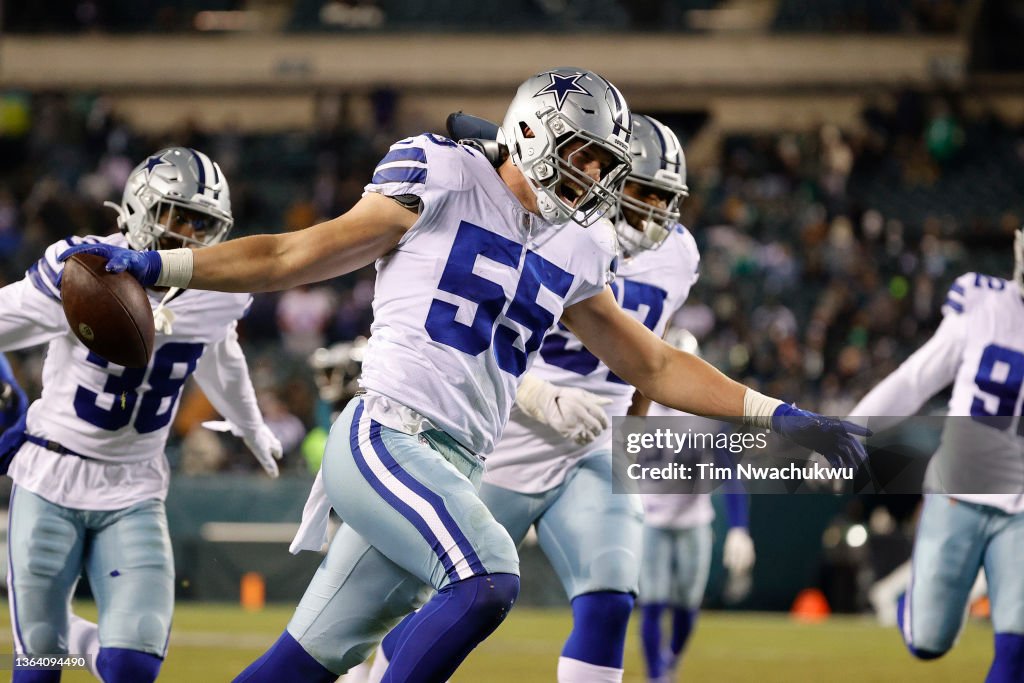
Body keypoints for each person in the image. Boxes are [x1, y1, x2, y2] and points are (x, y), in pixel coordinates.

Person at [63, 67, 868, 683]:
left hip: (456, 462)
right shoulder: (442, 174)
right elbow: (289, 254)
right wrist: (164, 264)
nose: (597, 177)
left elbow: (652, 361)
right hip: (389, 435)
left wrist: (778, 414)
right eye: (586, 155)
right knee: (487, 578)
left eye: (606, 163)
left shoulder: (576, 244)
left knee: (303, 661)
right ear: (536, 134)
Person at [370, 111, 699, 683]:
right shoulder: (555, 228)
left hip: (595, 445)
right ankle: (375, 671)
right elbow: (482, 333)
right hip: (508, 437)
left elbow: (647, 362)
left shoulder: (680, 254)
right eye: (645, 193)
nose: (656, 213)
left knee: (611, 598)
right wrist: (536, 394)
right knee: (449, 601)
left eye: (666, 199)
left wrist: (633, 435)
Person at [0, 147, 282, 683]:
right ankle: (62, 643)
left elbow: (219, 354)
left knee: (133, 664)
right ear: (138, 206)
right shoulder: (84, 268)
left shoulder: (219, 291)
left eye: (203, 224)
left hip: (135, 485)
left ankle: (77, 642)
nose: (188, 234)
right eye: (178, 215)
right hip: (52, 473)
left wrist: (250, 426)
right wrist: (7, 397)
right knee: (38, 666)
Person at [849, 232, 1024, 682]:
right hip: (958, 492)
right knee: (928, 642)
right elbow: (916, 380)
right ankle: (915, 605)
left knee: (1017, 646)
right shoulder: (984, 304)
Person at [636, 329, 755, 683]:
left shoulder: (706, 415)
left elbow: (730, 472)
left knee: (688, 605)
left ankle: (671, 659)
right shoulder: (638, 406)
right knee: (652, 601)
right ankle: (656, 676)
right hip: (651, 520)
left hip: (693, 520)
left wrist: (739, 528)